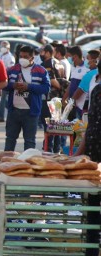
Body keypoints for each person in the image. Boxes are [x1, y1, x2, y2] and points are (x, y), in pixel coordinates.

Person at [74, 60, 101, 256]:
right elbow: (91, 124)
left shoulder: (98, 90)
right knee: (92, 203)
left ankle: (92, 247)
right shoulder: (97, 90)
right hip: (93, 154)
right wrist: (77, 155)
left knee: (93, 203)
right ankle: (92, 248)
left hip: (94, 151)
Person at [3, 46, 51, 151]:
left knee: (29, 141)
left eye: (25, 57)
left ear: (32, 58)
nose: (22, 59)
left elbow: (46, 88)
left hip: (31, 113)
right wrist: (12, 86)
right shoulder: (12, 70)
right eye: (20, 56)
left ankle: (29, 164)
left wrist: (29, 87)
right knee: (10, 139)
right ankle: (6, 162)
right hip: (14, 111)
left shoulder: (41, 71)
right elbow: (3, 85)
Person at [39, 44, 64, 153]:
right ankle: (56, 150)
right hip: (58, 99)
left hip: (50, 99)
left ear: (48, 52)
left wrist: (59, 88)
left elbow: (52, 80)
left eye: (42, 52)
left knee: (48, 126)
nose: (41, 54)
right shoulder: (59, 62)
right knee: (57, 125)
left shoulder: (47, 63)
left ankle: (48, 151)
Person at [63, 46, 89, 120]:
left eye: (69, 57)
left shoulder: (86, 69)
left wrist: (72, 101)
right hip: (72, 104)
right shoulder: (74, 68)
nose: (68, 59)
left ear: (75, 56)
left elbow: (82, 88)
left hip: (81, 106)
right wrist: (64, 99)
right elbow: (71, 84)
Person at [72, 49, 100, 114]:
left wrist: (71, 102)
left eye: (87, 58)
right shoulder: (96, 73)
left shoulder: (90, 74)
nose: (86, 61)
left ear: (94, 61)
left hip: (83, 109)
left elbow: (79, 91)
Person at [0, 40, 15, 122]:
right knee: (3, 100)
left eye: (4, 46)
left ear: (8, 48)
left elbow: (10, 69)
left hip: (6, 80)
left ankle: (0, 116)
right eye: (2, 46)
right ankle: (11, 110)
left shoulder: (10, 57)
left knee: (2, 99)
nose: (3, 48)